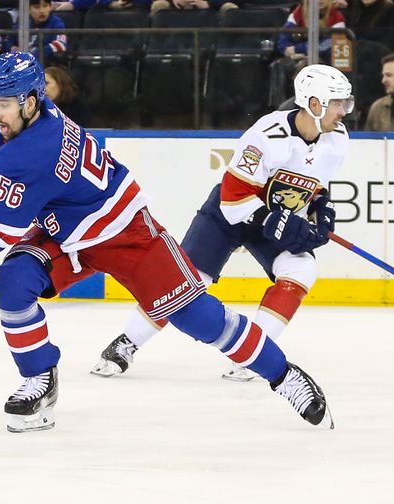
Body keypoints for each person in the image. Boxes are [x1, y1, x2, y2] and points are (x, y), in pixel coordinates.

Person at [0, 52, 334, 433]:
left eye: (4, 104)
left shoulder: (34, 150)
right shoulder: (13, 117)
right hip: (66, 231)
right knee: (13, 280)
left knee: (201, 319)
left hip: (127, 233)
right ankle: (39, 380)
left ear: (33, 101)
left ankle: (284, 375)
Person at [91, 64, 352, 383]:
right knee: (185, 282)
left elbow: (315, 185)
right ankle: (127, 343)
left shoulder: (337, 138)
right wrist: (279, 221)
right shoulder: (266, 136)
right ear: (314, 104)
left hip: (274, 217)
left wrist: (322, 209)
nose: (344, 110)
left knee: (301, 270)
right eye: (338, 103)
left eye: (345, 103)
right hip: (230, 214)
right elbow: (234, 200)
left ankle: (255, 354)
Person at [365, 53, 394, 131]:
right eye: (383, 76)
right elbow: (367, 142)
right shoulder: (377, 108)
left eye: (389, 75)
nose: (383, 80)